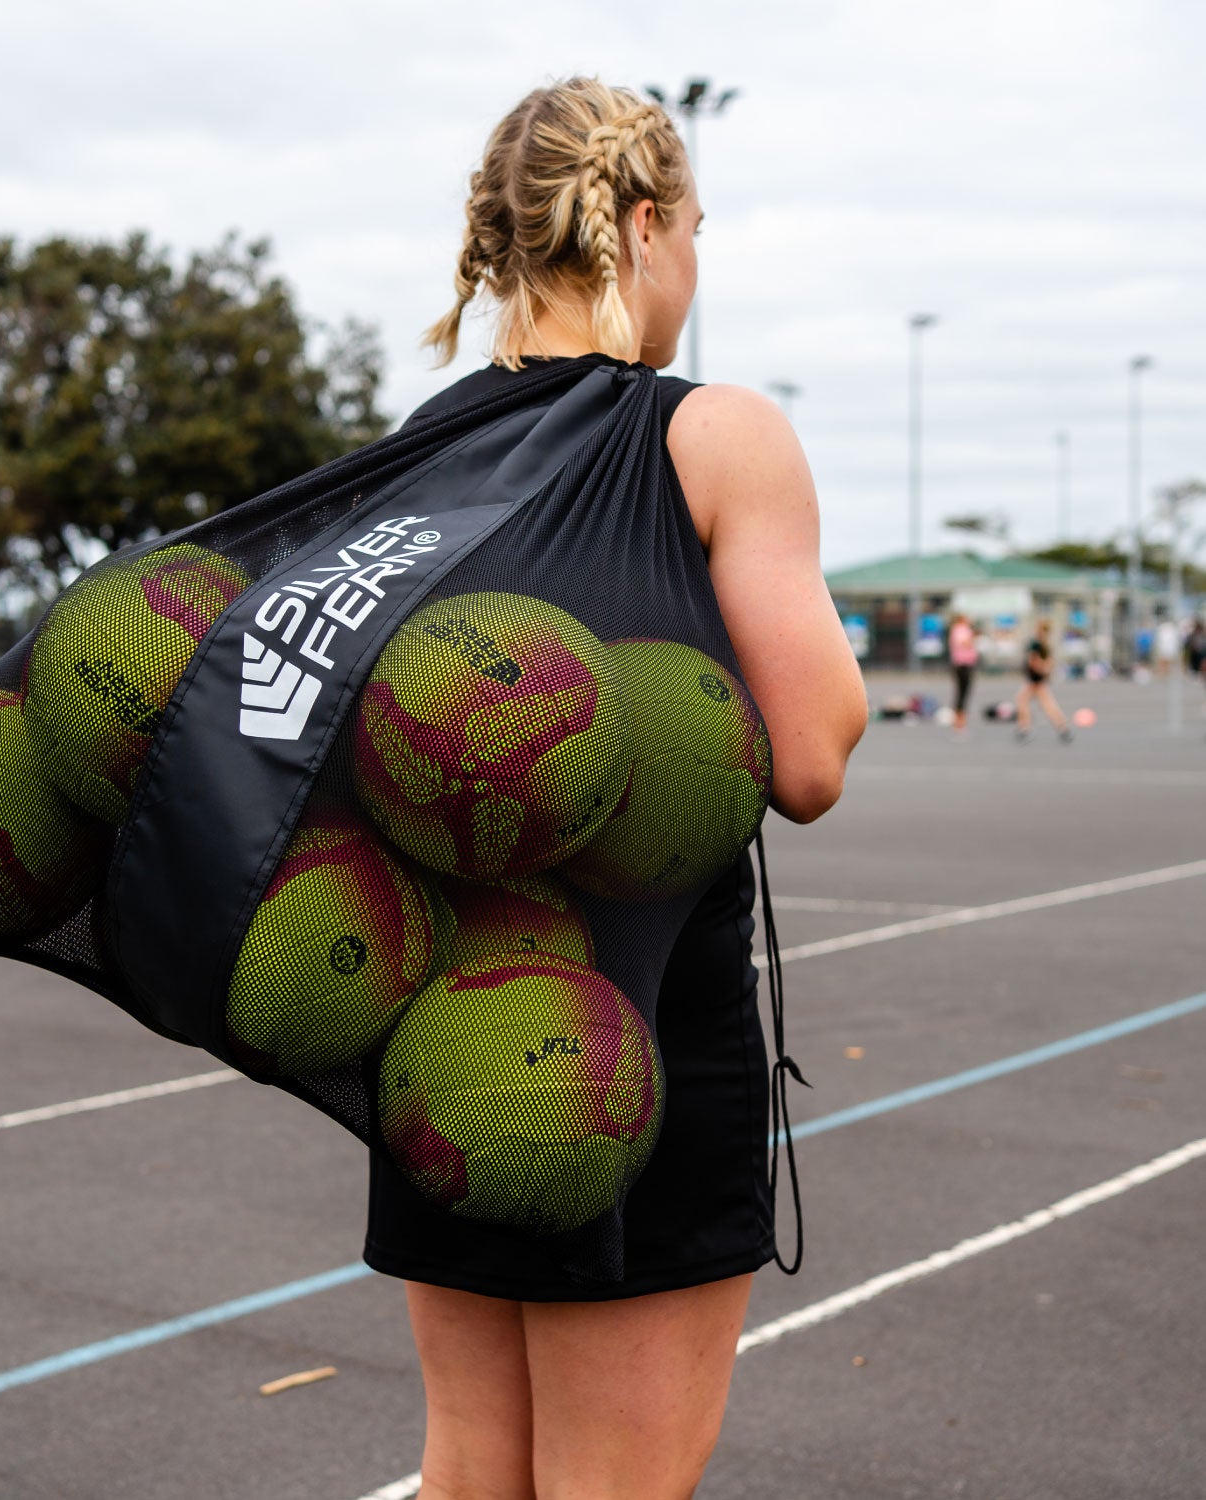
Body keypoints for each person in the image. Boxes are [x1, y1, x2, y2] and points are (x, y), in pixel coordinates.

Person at [367, 79, 867, 1500]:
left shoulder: (424, 451)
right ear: (645, 226)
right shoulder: (714, 437)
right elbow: (815, 755)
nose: (695, 262)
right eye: (696, 227)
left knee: (471, 1475)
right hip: (630, 1046)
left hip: (444, 1035)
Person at [1014, 618, 1071, 743]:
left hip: (1035, 680)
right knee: (1045, 704)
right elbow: (1049, 662)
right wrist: (1045, 669)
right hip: (1037, 679)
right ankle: (1062, 727)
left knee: (1025, 702)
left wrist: (1040, 667)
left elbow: (1033, 661)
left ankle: (1025, 728)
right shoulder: (1045, 644)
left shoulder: (1036, 644)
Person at [947, 611, 979, 731]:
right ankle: (959, 721)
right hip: (962, 664)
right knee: (962, 692)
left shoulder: (962, 629)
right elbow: (964, 643)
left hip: (966, 664)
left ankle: (960, 719)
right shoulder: (960, 629)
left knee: (963, 692)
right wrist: (973, 637)